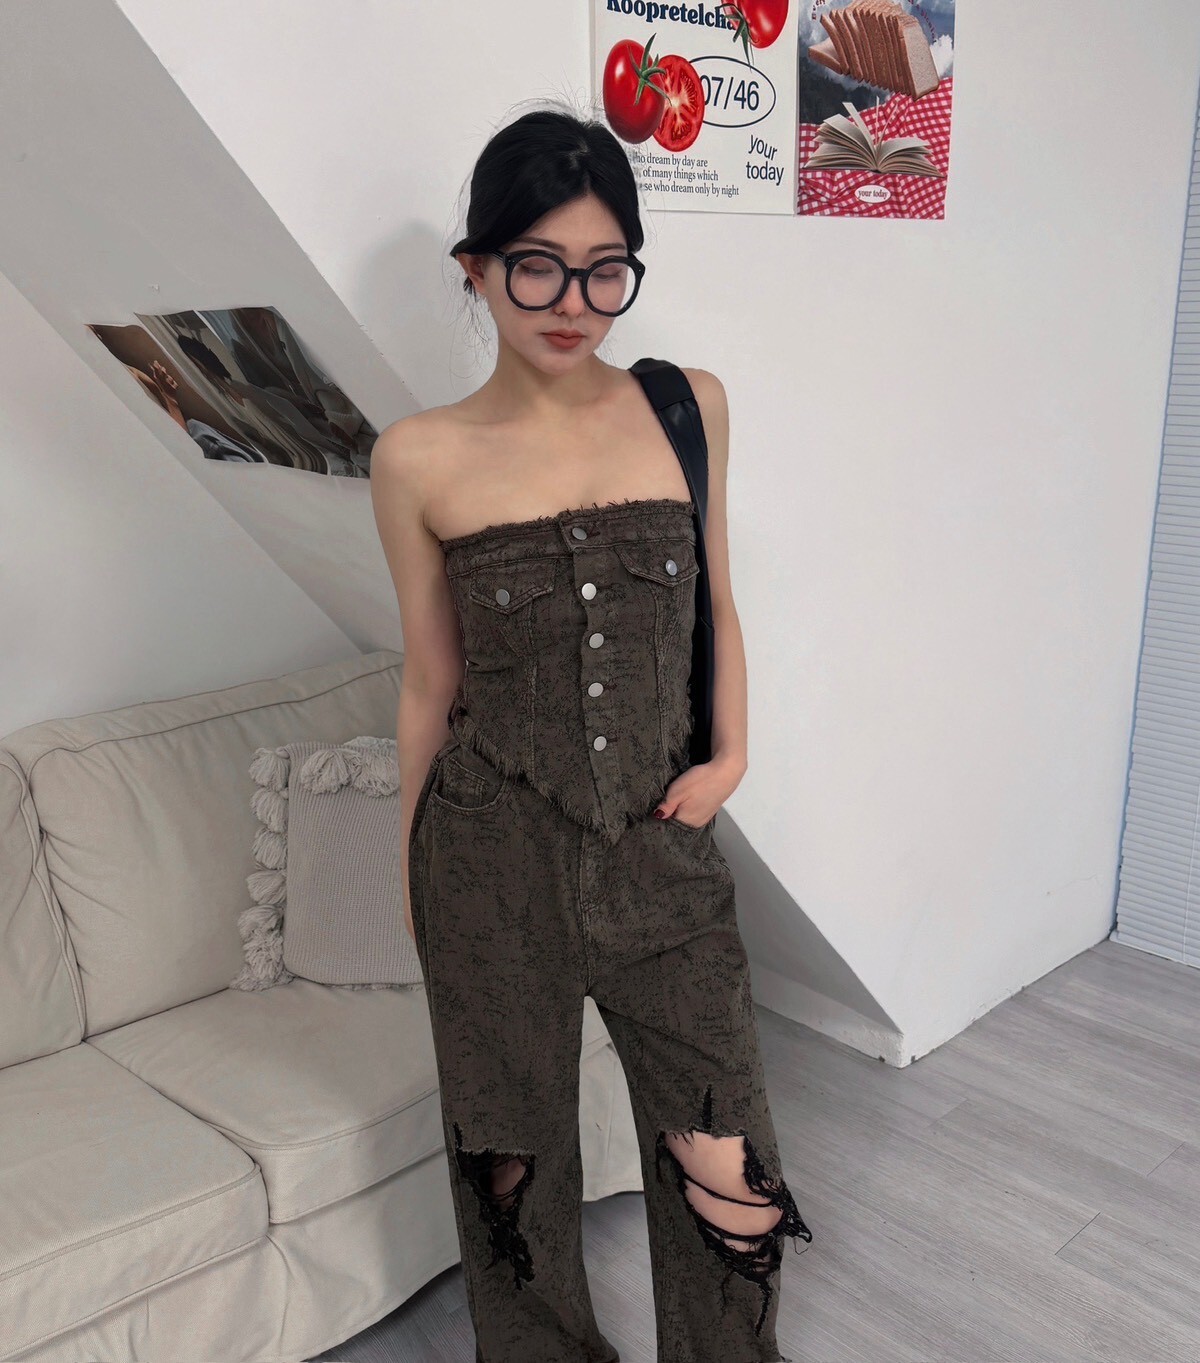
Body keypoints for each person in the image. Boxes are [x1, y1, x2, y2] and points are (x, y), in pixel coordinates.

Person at [370, 102, 812, 1363]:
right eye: (538, 267)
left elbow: (718, 598)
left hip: (659, 849)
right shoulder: (417, 458)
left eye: (605, 269)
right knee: (508, 1171)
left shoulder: (686, 407)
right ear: (476, 268)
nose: (574, 302)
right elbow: (429, 682)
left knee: (725, 1159)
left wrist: (730, 758)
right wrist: (413, 879)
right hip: (485, 858)